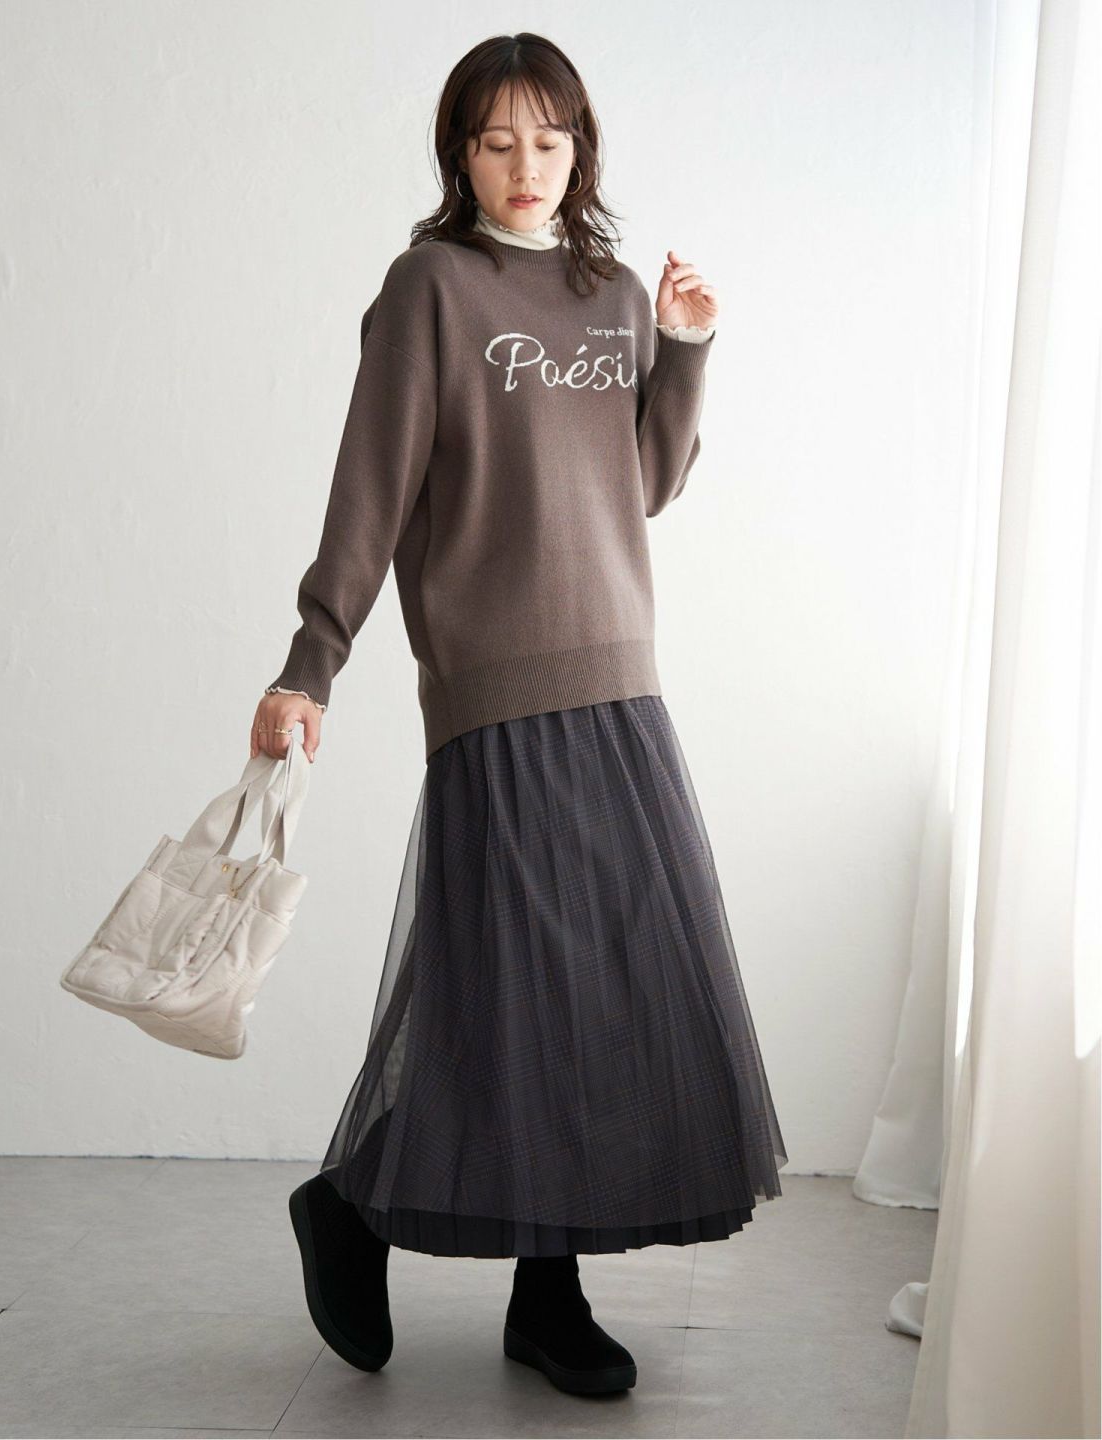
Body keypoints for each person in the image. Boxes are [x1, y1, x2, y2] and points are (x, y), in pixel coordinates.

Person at [253, 33, 788, 1399]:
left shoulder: (614, 295)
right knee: (509, 992)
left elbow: (643, 484)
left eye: (549, 141)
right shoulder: (431, 289)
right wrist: (313, 662)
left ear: (580, 148)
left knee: (600, 990)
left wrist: (687, 349)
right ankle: (362, 1207)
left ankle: (543, 1296)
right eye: (497, 143)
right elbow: (370, 491)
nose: (526, 167)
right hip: (493, 685)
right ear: (460, 154)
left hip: (621, 677)